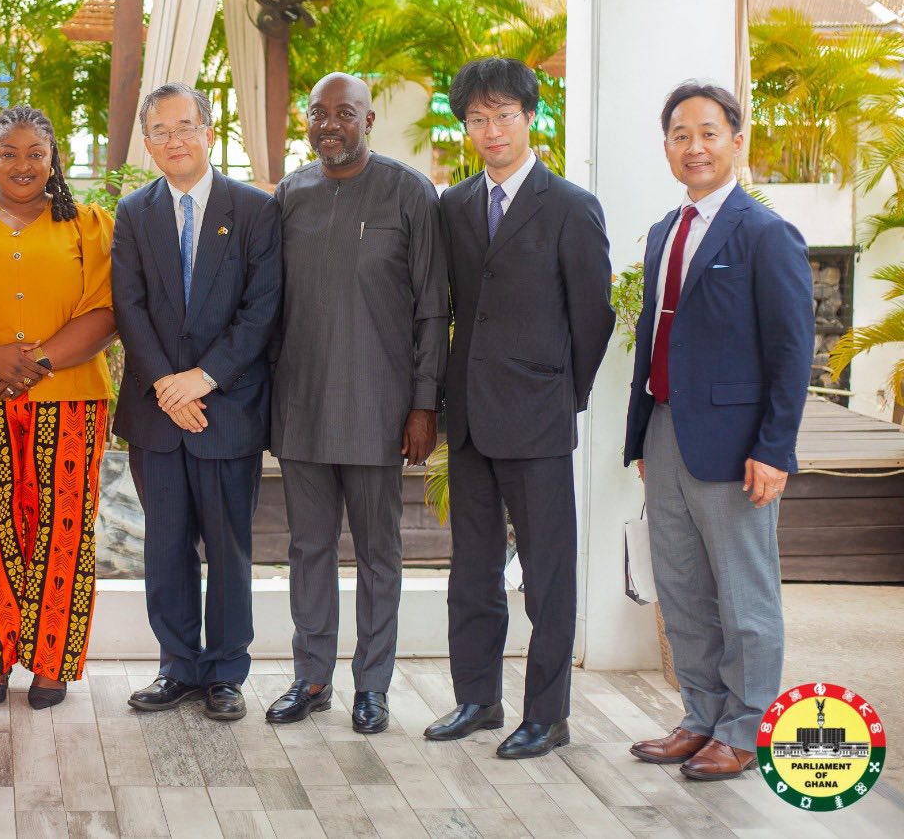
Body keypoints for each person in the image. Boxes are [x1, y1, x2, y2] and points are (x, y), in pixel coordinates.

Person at [425, 57, 615, 759]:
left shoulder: (569, 205)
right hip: (469, 417)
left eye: (504, 115)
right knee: (471, 570)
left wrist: (561, 394)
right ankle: (476, 699)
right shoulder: (452, 206)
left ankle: (547, 715)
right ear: (465, 126)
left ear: (530, 117)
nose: (491, 129)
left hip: (536, 417)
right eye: (477, 118)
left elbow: (592, 318)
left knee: (547, 574)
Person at [625, 82, 813, 780]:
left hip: (736, 448)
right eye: (680, 134)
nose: (693, 146)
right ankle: (700, 715)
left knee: (744, 593)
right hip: (666, 433)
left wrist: (774, 448)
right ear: (668, 146)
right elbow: (653, 337)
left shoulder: (765, 233)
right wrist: (641, 434)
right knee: (682, 588)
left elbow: (794, 351)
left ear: (738, 140)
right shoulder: (664, 232)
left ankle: (744, 727)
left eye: (708, 133)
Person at [266, 73, 447, 735]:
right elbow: (269, 308)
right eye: (318, 113)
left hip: (380, 411)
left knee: (379, 553)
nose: (330, 124)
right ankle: (310, 679)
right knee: (308, 549)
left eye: (345, 113)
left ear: (369, 120)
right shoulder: (290, 194)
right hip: (302, 407)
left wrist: (424, 404)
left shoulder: (409, 193)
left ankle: (372, 687)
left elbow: (432, 308)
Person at [0, 105, 117, 710]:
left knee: (61, 533)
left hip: (69, 400)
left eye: (34, 153)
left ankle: (50, 666)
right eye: (8, 153)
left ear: (53, 158)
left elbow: (105, 313)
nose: (21, 165)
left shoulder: (90, 226)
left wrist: (30, 363)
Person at [111, 84, 281, 722]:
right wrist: (165, 384)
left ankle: (226, 673)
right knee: (166, 544)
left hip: (226, 407)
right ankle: (177, 666)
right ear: (148, 143)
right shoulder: (134, 212)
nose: (175, 140)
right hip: (157, 413)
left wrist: (203, 379)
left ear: (210, 133)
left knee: (229, 546)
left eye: (186, 127)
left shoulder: (254, 210)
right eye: (161, 130)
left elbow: (261, 309)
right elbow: (128, 306)